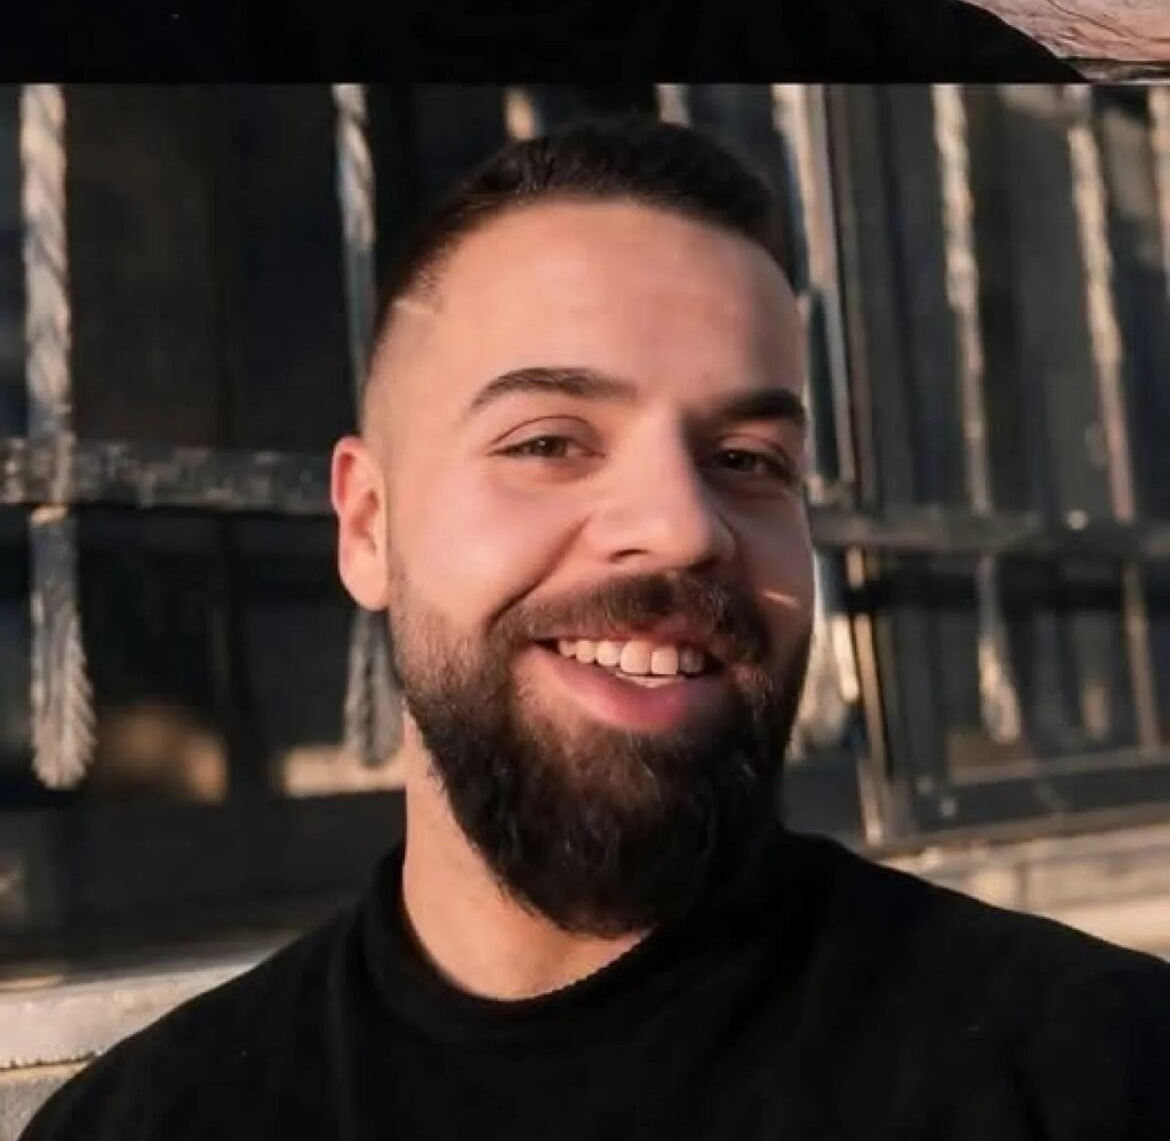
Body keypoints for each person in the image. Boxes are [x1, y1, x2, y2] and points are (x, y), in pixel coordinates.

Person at [22, 116, 1170, 1141]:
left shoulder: (1101, 1066)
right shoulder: (150, 1118)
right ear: (369, 525)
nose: (682, 527)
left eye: (746, 461)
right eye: (549, 441)